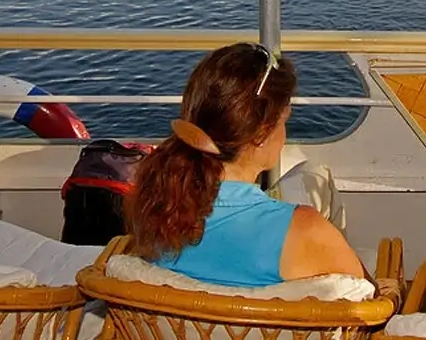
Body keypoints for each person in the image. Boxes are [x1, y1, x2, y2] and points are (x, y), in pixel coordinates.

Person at [126, 43, 364, 287]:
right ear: (260, 135)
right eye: (284, 121)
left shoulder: (156, 209)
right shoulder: (303, 231)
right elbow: (365, 301)